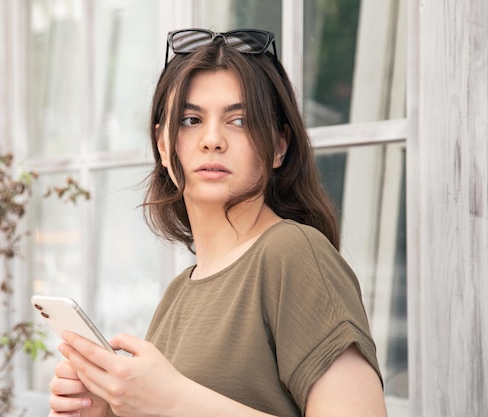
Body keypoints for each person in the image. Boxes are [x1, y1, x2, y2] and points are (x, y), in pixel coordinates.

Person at [48, 28, 388, 417]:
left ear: (279, 146)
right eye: (191, 120)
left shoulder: (293, 253)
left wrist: (172, 399)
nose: (212, 140)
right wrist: (106, 409)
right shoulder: (180, 291)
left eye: (239, 121)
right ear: (162, 145)